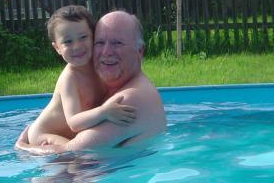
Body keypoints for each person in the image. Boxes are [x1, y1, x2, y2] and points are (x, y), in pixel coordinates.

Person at [16, 10, 166, 153]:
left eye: (117, 43)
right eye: (100, 42)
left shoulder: (128, 100)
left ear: (139, 51)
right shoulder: (76, 77)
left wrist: (23, 148)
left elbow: (73, 153)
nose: (106, 52)